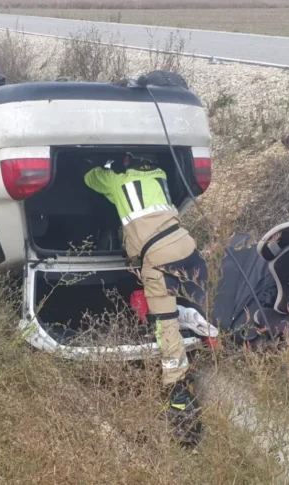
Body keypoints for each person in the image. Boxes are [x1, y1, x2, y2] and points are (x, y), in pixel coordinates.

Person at [84, 152, 213, 446]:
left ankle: (178, 394)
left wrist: (108, 165)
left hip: (158, 259)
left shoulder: (117, 181)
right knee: (194, 302)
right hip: (186, 246)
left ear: (125, 161)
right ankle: (200, 332)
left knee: (165, 323)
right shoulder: (160, 175)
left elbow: (89, 178)